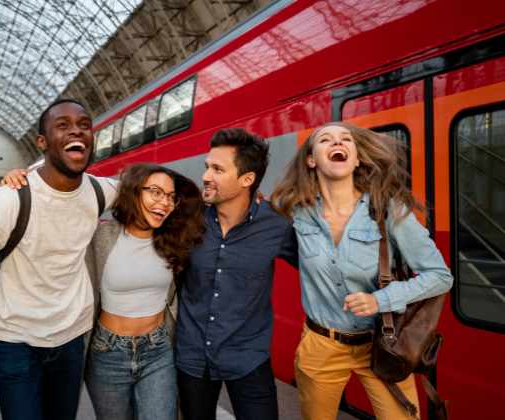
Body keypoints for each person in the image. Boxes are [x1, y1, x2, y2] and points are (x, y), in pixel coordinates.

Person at [0, 98, 117, 420]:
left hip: (72, 340)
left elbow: (153, 188)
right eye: (62, 125)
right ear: (42, 141)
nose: (76, 130)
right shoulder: (9, 200)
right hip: (16, 345)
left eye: (84, 125)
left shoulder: (99, 191)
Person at [271, 122, 453, 420]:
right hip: (321, 343)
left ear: (356, 158)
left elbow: (440, 275)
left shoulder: (388, 210)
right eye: (325, 139)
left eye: (346, 140)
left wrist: (380, 299)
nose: (336, 143)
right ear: (311, 159)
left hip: (383, 344)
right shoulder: (296, 211)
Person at [175, 128, 297, 420]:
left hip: (248, 358)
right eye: (207, 167)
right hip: (192, 359)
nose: (205, 175)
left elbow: (320, 269)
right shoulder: (188, 219)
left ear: (247, 179)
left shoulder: (276, 226)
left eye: (217, 169)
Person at [85, 163, 203, 420]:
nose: (165, 203)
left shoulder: (174, 238)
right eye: (155, 192)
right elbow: (59, 207)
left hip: (158, 350)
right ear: (134, 192)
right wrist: (23, 182)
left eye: (171, 197)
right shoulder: (100, 235)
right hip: (107, 352)